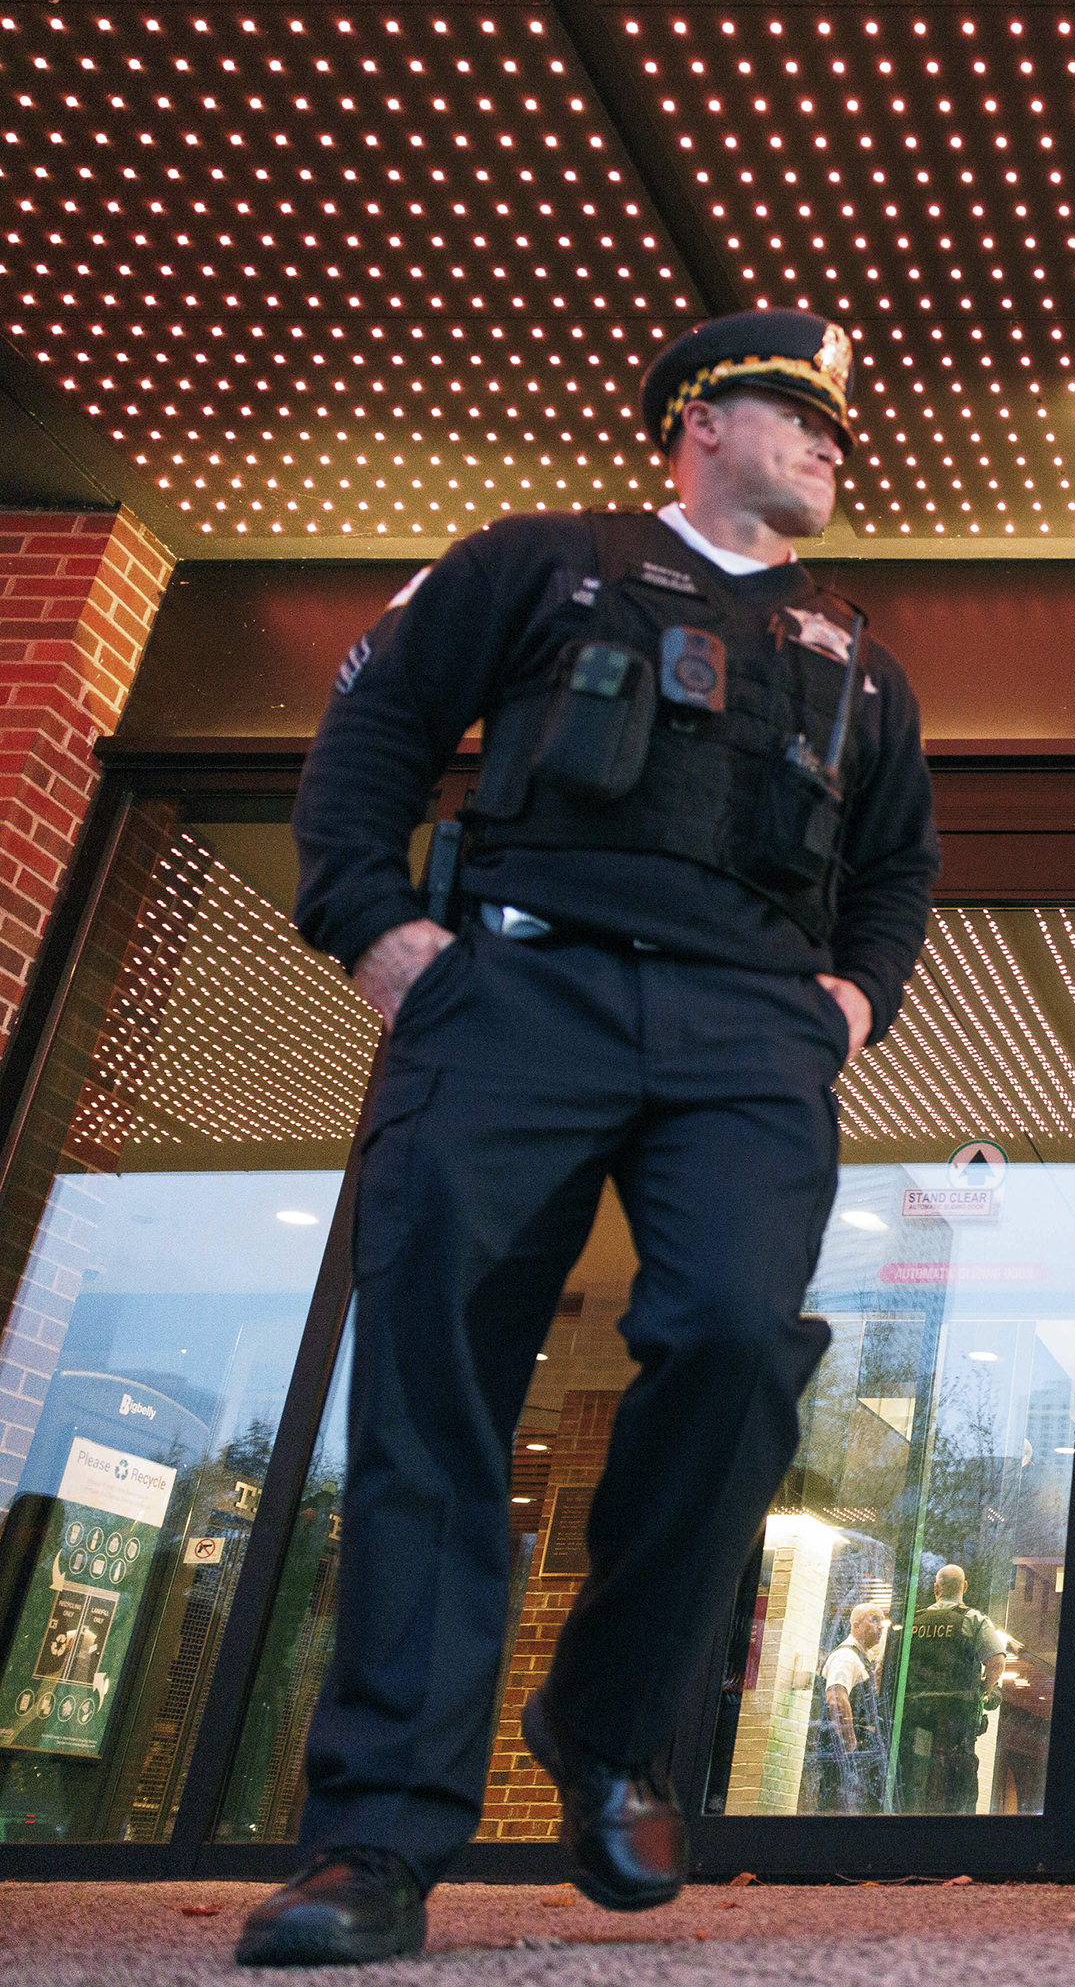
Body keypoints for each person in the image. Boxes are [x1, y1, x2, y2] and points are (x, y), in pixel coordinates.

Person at [242, 310, 938, 1968]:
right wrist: (376, 933)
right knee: (439, 1387)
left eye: (843, 426)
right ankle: (379, 1842)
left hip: (751, 1032)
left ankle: (612, 1725)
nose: (836, 444)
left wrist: (850, 1005)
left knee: (733, 1343)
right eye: (803, 414)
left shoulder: (857, 655)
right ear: (701, 421)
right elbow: (372, 740)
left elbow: (898, 864)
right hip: (519, 994)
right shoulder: (541, 566)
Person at [898, 1565, 1008, 1815]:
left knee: (913, 1780)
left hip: (913, 1718)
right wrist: (983, 1690)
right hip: (954, 1721)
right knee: (954, 1785)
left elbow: (888, 1666)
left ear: (935, 1589)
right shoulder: (973, 1620)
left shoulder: (913, 1621)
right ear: (964, 1587)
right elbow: (997, 1661)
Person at [812, 1601, 892, 1814]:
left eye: (881, 1622)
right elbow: (836, 1700)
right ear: (855, 1624)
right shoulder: (846, 1657)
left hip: (853, 1754)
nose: (879, 1627)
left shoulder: (860, 1658)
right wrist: (850, 1746)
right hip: (846, 1752)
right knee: (839, 1806)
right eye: (873, 1620)